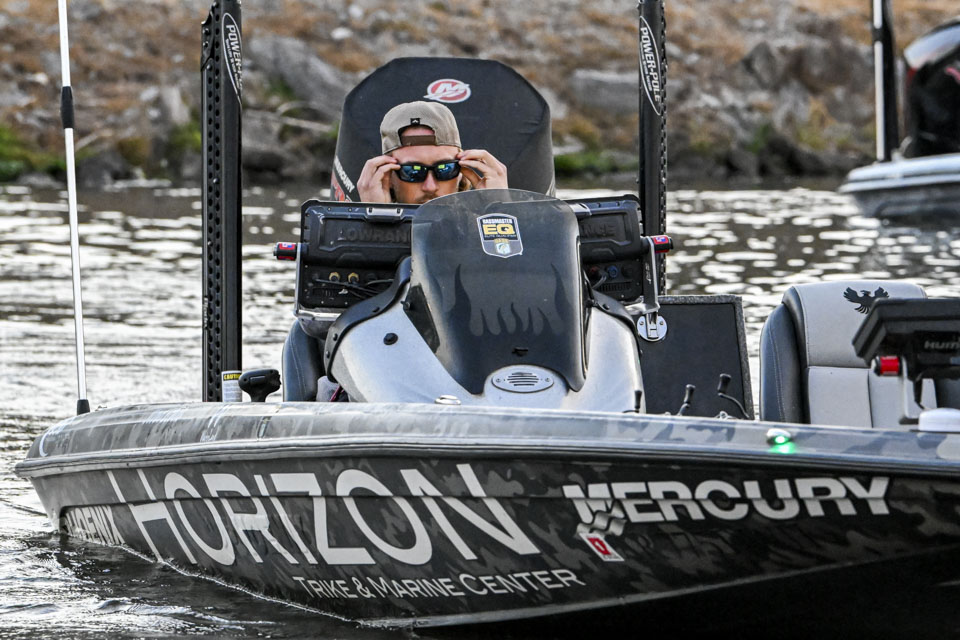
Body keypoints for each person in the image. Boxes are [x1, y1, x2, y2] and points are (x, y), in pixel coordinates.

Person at [357, 101, 508, 204]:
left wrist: (497, 210)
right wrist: (374, 218)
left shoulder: (477, 227)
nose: (430, 187)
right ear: (388, 176)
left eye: (445, 169)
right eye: (413, 171)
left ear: (462, 172)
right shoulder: (354, 234)